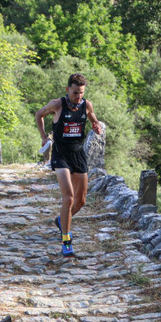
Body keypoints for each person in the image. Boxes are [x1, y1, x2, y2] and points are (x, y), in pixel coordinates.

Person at [34, 73, 103, 257]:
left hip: (78, 154)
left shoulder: (86, 105)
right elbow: (39, 114)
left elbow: (93, 119)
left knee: (81, 201)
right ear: (67, 90)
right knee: (69, 198)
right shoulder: (57, 104)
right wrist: (43, 137)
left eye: (81, 93)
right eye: (75, 93)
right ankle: (66, 241)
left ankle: (62, 219)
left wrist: (96, 126)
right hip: (61, 154)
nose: (78, 96)